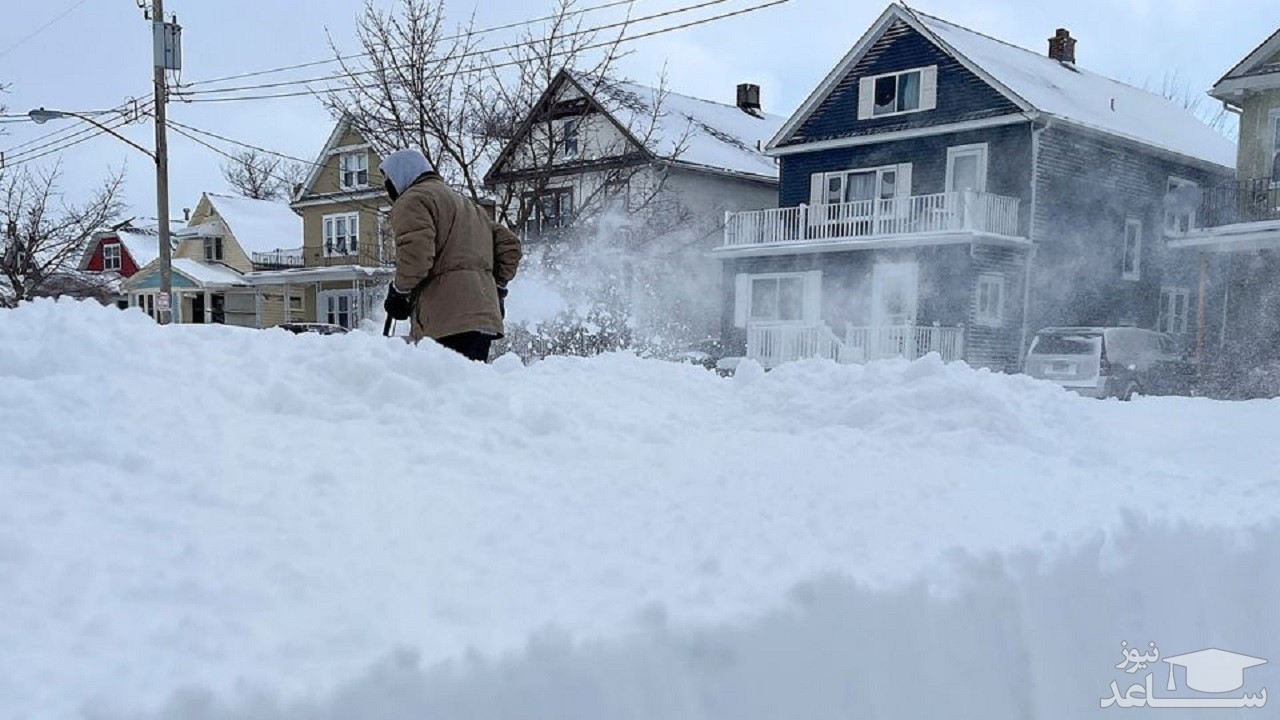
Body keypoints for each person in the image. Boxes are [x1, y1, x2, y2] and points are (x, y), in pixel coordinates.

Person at [380, 149, 521, 362]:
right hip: (483, 318)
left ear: (400, 176)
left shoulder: (413, 199)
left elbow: (417, 254)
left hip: (446, 319)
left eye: (388, 181)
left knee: (443, 390)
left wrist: (399, 292)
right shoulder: (467, 205)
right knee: (468, 390)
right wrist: (497, 288)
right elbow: (510, 245)